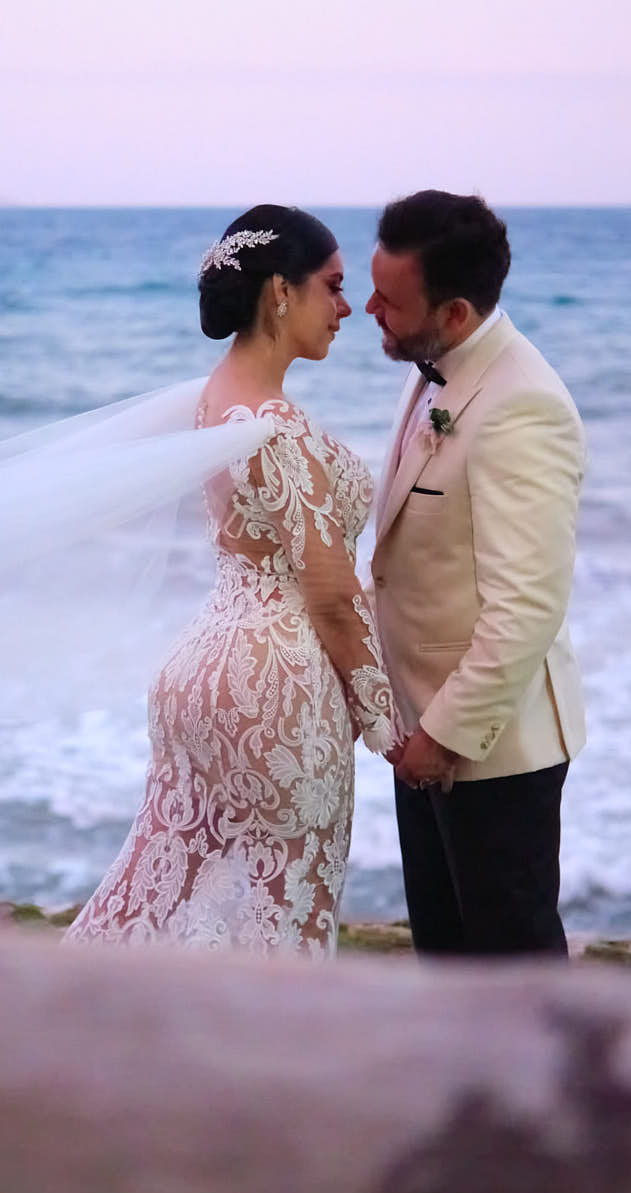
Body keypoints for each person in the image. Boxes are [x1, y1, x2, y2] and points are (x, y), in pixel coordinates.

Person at [63, 206, 403, 958]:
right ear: (281, 291)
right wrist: (386, 724)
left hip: (201, 669)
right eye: (333, 286)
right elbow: (328, 593)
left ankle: (72, 1008)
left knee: (162, 890)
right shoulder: (275, 424)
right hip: (278, 685)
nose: (347, 307)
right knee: (286, 912)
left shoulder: (213, 397)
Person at [364, 190, 588, 957]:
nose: (369, 309)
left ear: (454, 313)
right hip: (423, 730)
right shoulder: (434, 367)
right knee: (447, 958)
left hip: (490, 747)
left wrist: (444, 735)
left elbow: (527, 606)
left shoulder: (523, 408)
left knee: (512, 970)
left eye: (390, 301)